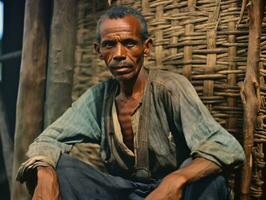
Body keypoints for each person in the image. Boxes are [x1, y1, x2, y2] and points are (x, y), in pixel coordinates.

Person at [17, 5, 245, 200]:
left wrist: (177, 178)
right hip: (122, 192)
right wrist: (46, 173)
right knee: (57, 168)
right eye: (109, 45)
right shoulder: (99, 97)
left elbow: (225, 147)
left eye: (129, 43)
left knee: (213, 183)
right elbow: (49, 139)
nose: (119, 53)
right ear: (98, 50)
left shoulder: (171, 88)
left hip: (171, 194)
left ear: (146, 47)